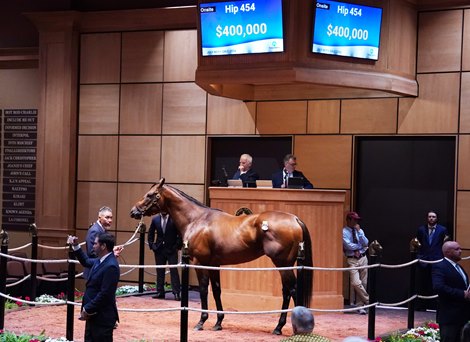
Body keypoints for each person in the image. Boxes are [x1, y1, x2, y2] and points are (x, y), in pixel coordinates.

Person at [68, 232, 120, 342]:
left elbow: (105, 293)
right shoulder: (100, 260)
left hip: (102, 317)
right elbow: (86, 261)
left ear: (103, 246)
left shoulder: (111, 265)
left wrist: (88, 308)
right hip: (93, 315)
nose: (93, 246)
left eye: (95, 243)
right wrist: (76, 245)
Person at [432, 241, 470, 342]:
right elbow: (438, 287)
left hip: (462, 315)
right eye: (457, 249)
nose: (460, 251)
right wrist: (462, 293)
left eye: (460, 248)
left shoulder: (459, 267)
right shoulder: (440, 266)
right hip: (449, 316)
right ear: (448, 252)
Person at [416, 210, 449, 310]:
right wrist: (419, 257)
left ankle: (436, 307)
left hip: (437, 261)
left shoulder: (443, 230)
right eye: (429, 217)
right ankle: (422, 306)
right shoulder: (421, 229)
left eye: (433, 217)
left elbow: (445, 245)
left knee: (437, 284)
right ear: (427, 218)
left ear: (437, 218)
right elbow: (418, 244)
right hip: (424, 261)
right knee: (423, 284)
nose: (431, 218)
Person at [148, 211, 182, 300]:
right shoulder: (155, 219)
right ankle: (160, 292)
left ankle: (176, 293)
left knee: (174, 271)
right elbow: (150, 232)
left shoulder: (174, 218)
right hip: (159, 250)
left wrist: (176, 246)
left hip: (171, 250)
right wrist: (152, 245)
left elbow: (180, 234)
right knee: (160, 271)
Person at [342, 211, 369, 315]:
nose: (357, 222)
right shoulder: (344, 231)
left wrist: (360, 234)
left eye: (357, 220)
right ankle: (368, 300)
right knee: (356, 282)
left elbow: (366, 242)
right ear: (349, 220)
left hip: (363, 258)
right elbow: (349, 246)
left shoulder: (359, 230)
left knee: (364, 283)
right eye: (355, 220)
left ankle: (360, 306)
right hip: (352, 259)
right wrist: (361, 246)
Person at [84, 206, 114, 280]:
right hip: (93, 271)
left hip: (98, 270)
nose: (110, 220)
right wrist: (111, 252)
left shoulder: (102, 230)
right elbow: (92, 252)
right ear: (99, 217)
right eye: (107, 217)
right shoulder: (95, 230)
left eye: (111, 218)